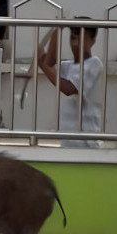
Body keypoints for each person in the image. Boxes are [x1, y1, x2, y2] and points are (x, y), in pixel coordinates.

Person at [37, 17, 103, 148]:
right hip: (68, 140)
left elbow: (69, 89)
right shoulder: (68, 66)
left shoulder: (94, 64)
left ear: (93, 41)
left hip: (86, 142)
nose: (76, 44)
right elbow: (50, 62)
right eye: (73, 38)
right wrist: (57, 30)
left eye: (82, 39)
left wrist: (44, 67)